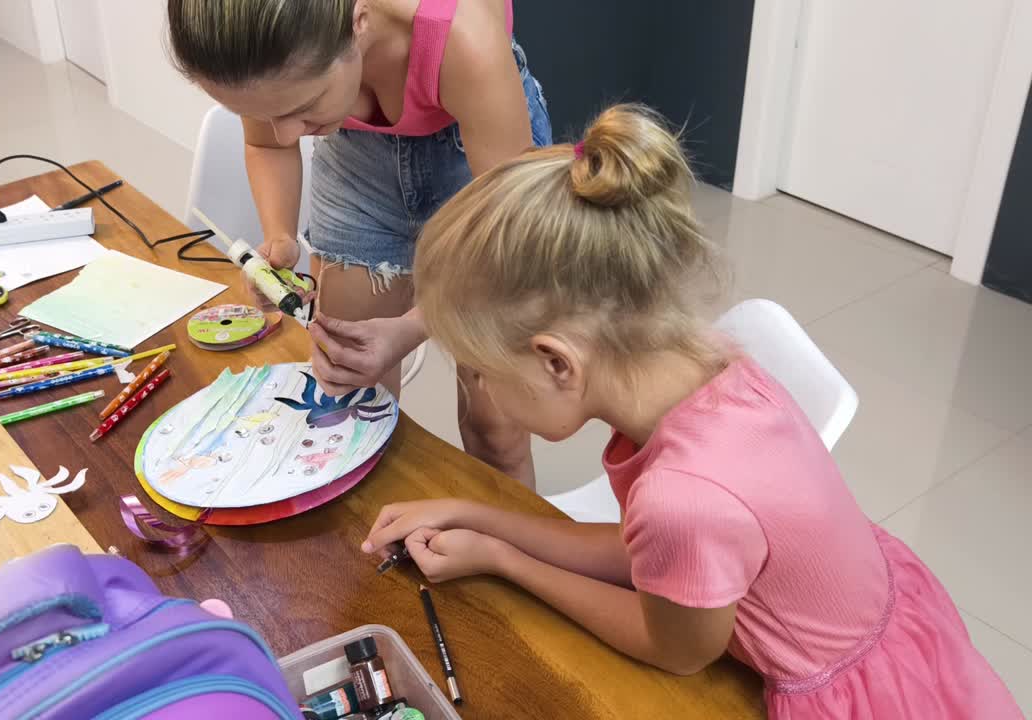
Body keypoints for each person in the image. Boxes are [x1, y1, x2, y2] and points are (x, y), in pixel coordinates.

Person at [360, 104, 1022, 718]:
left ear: (557, 362)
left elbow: (675, 648)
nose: (481, 392)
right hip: (901, 643)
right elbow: (649, 556)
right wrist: (478, 518)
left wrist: (507, 563)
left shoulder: (683, 497)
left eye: (480, 372)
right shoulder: (715, 371)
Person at [167, 0, 551, 487]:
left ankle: (507, 553)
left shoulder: (462, 37)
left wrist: (411, 328)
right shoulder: (271, 43)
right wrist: (281, 238)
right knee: (352, 400)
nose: (285, 132)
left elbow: (509, 249)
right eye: (264, 113)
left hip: (476, 159)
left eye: (301, 109)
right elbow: (268, 144)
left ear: (358, 25)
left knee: (496, 427)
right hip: (356, 162)